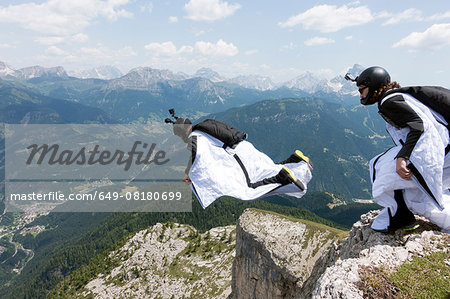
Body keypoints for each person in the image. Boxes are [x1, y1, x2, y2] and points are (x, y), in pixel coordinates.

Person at [346, 66, 450, 233]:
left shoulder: (389, 102)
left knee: (377, 166)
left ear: (374, 86)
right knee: (412, 196)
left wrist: (402, 157)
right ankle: (403, 215)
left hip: (440, 153)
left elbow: (418, 126)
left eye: (362, 90)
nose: (360, 95)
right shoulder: (400, 96)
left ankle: (399, 216)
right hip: (445, 154)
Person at [165, 110, 313, 209]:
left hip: (238, 156)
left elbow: (197, 156)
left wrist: (187, 174)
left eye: (179, 136)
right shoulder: (204, 127)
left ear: (182, 133)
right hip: (245, 147)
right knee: (266, 169)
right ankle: (295, 161)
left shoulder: (195, 137)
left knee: (248, 188)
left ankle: (284, 179)